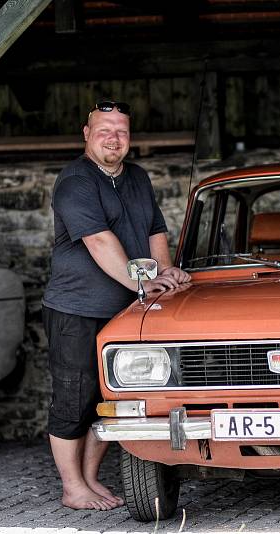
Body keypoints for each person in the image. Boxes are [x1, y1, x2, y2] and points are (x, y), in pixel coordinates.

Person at [41, 100, 191, 511]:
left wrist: (166, 270)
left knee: (111, 400)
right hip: (76, 309)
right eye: (104, 130)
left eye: (121, 131)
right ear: (86, 134)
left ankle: (89, 480)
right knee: (74, 398)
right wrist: (145, 281)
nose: (114, 138)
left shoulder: (138, 177)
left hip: (127, 312)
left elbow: (155, 229)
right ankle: (72, 488)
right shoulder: (76, 181)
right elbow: (99, 241)